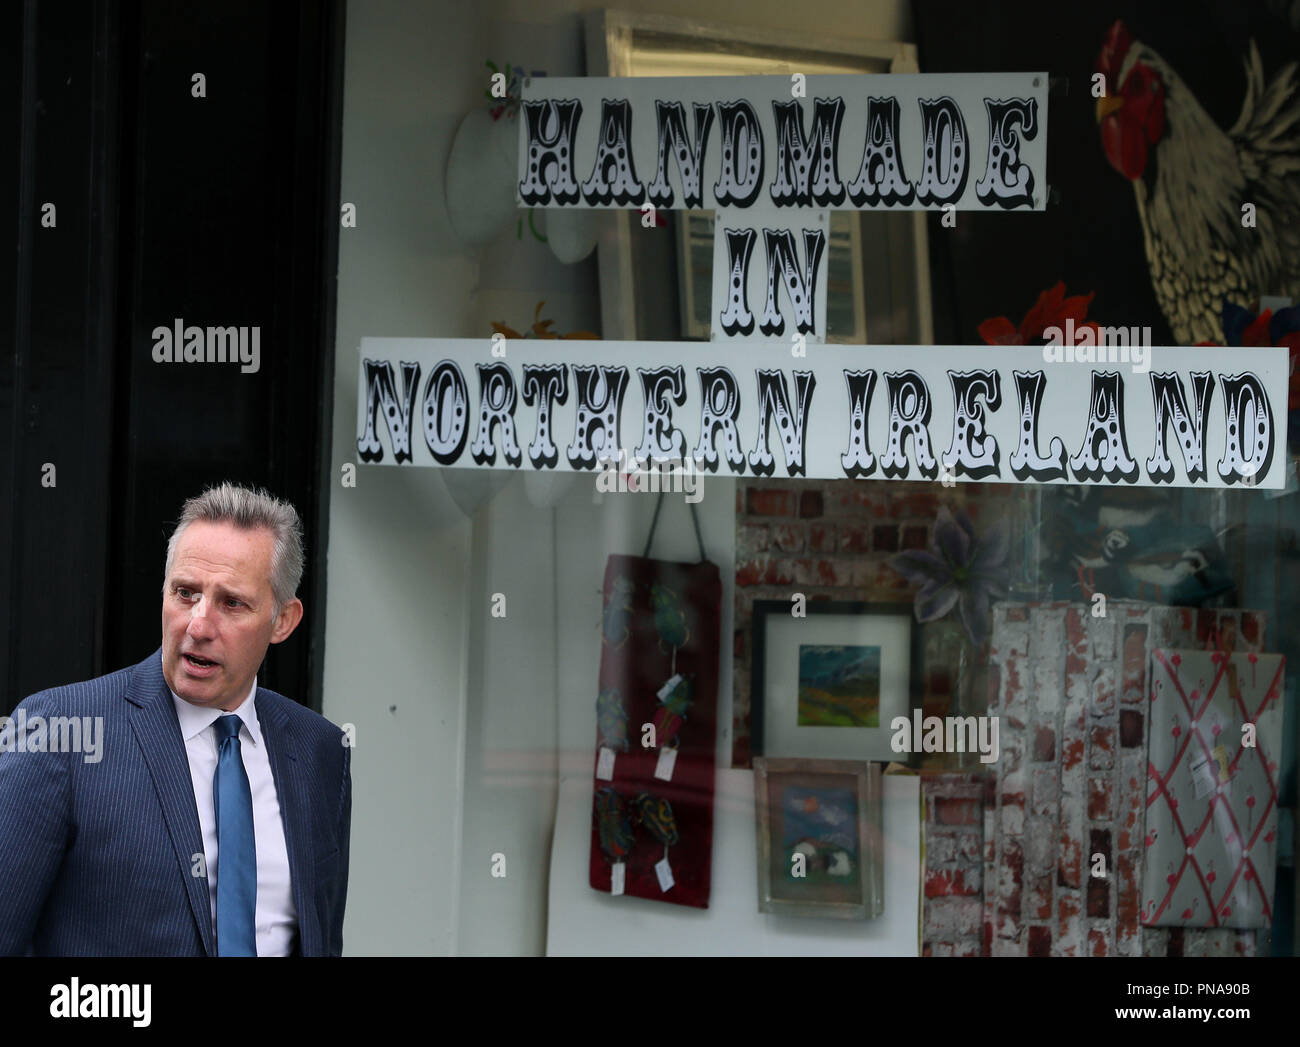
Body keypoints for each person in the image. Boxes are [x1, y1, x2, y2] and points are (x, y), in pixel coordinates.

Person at [0, 482, 351, 956]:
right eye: (185, 593)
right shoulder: (62, 730)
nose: (199, 626)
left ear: (283, 620)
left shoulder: (319, 750)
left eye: (232, 603)